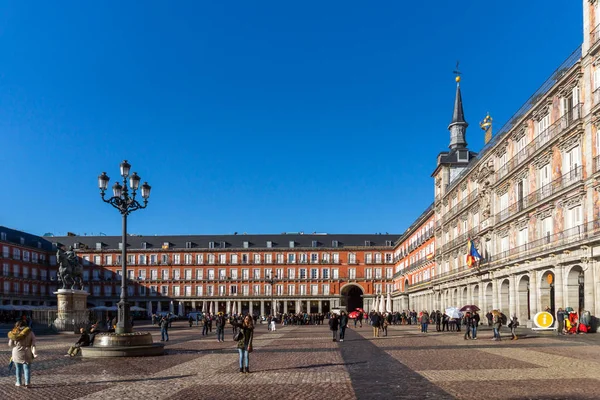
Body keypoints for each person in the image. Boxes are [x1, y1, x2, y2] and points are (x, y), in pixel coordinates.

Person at [8, 320, 36, 388]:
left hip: (17, 352)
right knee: (27, 369)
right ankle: (27, 383)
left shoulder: (14, 333)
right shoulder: (30, 332)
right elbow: (33, 343)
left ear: (17, 325)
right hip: (27, 351)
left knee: (18, 368)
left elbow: (10, 344)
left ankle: (18, 382)